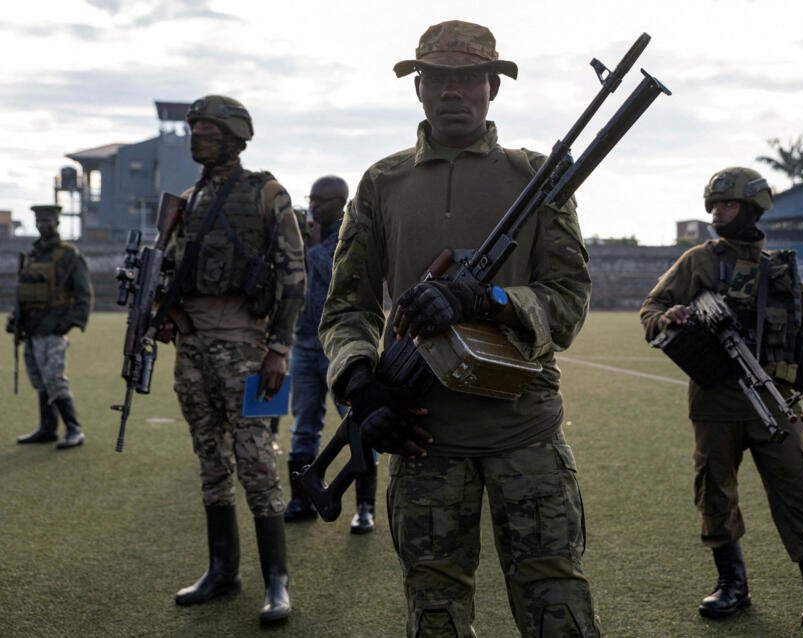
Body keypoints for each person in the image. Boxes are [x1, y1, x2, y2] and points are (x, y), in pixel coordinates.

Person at [320, 20, 601, 637]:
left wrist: (488, 298)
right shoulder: (381, 183)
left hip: (524, 431)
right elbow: (347, 307)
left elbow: (568, 303)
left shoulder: (538, 176)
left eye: (470, 77)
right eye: (438, 78)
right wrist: (361, 384)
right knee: (435, 611)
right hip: (424, 437)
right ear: (418, 87)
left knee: (557, 605)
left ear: (492, 88)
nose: (453, 91)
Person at [639, 167, 803, 638]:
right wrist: (669, 317)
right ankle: (731, 585)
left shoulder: (780, 268)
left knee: (800, 494)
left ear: (752, 209)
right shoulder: (698, 260)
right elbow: (651, 308)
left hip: (776, 402)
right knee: (715, 492)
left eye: (727, 205)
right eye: (713, 206)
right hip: (715, 400)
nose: (717, 214)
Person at [163, 95, 306, 624]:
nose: (196, 137)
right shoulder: (187, 200)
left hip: (250, 349)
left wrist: (279, 349)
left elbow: (294, 276)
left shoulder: (267, 193)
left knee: (256, 460)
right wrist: (165, 313)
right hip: (193, 349)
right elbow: (170, 271)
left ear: (234, 136)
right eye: (194, 129)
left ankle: (277, 582)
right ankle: (222, 570)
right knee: (210, 459)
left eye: (207, 130)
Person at [283, 175, 378, 534]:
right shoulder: (306, 236)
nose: (313, 206)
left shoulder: (349, 235)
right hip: (303, 347)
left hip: (340, 350)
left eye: (320, 201)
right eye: (311, 199)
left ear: (340, 203)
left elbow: (340, 281)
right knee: (303, 427)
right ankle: (301, 500)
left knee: (360, 426)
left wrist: (313, 248)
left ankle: (364, 508)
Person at [8, 205, 92, 449]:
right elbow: (24, 292)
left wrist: (71, 323)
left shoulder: (69, 255)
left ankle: (74, 429)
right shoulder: (33, 255)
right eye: (38, 220)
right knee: (40, 380)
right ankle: (47, 428)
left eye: (46, 220)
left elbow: (84, 293)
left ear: (56, 222)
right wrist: (16, 319)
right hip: (32, 328)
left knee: (54, 379)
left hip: (54, 327)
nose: (42, 225)